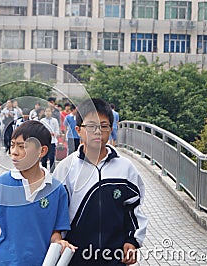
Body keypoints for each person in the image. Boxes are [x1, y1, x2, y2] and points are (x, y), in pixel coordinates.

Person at [0, 120, 76, 266]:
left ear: (42, 151)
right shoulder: (0, 185)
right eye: (12, 145)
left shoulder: (57, 190)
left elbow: (56, 231)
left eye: (22, 146)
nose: (14, 152)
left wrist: (59, 242)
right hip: (3, 262)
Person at [54, 99, 148, 265]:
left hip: (114, 257)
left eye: (103, 126)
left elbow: (133, 209)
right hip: (75, 256)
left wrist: (132, 241)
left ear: (110, 129)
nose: (98, 131)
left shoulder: (125, 168)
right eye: (91, 126)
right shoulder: (66, 168)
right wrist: (57, 240)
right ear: (78, 130)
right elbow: (55, 212)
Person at [40, 107, 60, 173]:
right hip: (44, 141)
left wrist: (55, 134)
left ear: (51, 112)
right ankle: (44, 170)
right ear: (45, 113)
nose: (48, 113)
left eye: (49, 111)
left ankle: (52, 171)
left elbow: (57, 130)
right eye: (46, 111)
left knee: (52, 157)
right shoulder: (42, 121)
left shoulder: (55, 120)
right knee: (44, 157)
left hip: (52, 141)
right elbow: (40, 130)